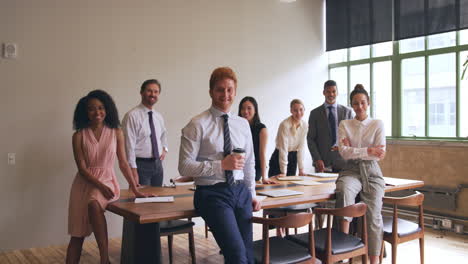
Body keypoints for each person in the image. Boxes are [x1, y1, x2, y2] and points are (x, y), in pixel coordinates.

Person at [179, 67, 261, 263]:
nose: (225, 95)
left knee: (248, 255)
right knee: (236, 254)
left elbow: (249, 163)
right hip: (211, 193)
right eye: (220, 89)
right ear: (210, 92)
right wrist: (220, 165)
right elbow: (184, 166)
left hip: (240, 192)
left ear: (235, 91)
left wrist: (252, 193)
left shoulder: (242, 124)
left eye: (229, 90)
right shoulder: (197, 124)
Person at [66, 90, 148, 264]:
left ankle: (104, 258)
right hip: (83, 184)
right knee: (77, 235)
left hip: (107, 180)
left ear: (107, 109)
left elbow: (123, 163)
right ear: (84, 112)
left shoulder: (116, 132)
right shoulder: (78, 136)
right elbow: (81, 169)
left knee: (94, 203)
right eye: (92, 109)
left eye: (101, 108)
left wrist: (134, 188)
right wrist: (100, 186)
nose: (97, 112)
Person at [335, 84, 386, 264]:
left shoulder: (377, 124)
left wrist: (355, 149)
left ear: (368, 103)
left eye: (363, 102)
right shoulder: (345, 124)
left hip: (372, 171)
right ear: (351, 105)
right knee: (343, 191)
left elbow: (380, 154)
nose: (359, 107)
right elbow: (344, 152)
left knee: (374, 215)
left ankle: (374, 261)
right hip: (351, 170)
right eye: (355, 103)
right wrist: (368, 149)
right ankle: (342, 254)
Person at [122, 79, 168, 187]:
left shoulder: (158, 116)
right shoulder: (132, 116)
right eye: (149, 91)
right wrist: (133, 170)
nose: (153, 94)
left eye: (156, 92)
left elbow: (163, 135)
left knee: (158, 199)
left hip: (158, 165)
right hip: (140, 166)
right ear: (141, 92)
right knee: (142, 201)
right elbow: (129, 146)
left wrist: (164, 149)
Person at [307, 80, 353, 173]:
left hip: (344, 161)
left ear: (337, 92)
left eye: (333, 91)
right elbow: (310, 139)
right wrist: (317, 159)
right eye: (328, 91)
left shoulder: (347, 112)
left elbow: (352, 136)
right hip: (323, 164)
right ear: (323, 92)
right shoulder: (315, 113)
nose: (331, 94)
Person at [238, 96, 274, 184]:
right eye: (243, 108)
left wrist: (264, 177)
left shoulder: (261, 129)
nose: (245, 111)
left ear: (255, 110)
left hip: (255, 168)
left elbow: (262, 154)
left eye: (249, 108)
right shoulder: (237, 126)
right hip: (238, 166)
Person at [268, 99, 308, 177]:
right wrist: (283, 172)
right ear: (291, 111)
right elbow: (283, 149)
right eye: (295, 110)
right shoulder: (285, 125)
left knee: (290, 187)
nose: (299, 113)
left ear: (304, 110)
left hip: (293, 157)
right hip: (279, 158)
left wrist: (301, 169)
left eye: (301, 110)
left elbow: (301, 148)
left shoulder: (305, 125)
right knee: (276, 187)